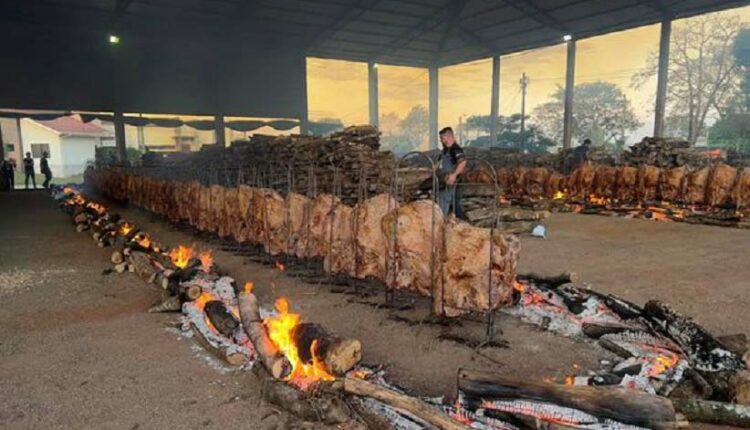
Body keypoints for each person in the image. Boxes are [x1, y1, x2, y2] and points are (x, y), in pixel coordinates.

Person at [436, 127, 467, 216]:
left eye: (442, 138)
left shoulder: (455, 149)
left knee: (452, 204)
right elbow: (438, 163)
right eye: (441, 139)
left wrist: (454, 175)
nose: (442, 141)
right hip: (443, 182)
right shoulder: (445, 150)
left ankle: (461, 223)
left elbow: (462, 162)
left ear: (449, 137)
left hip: (452, 183)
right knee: (450, 204)